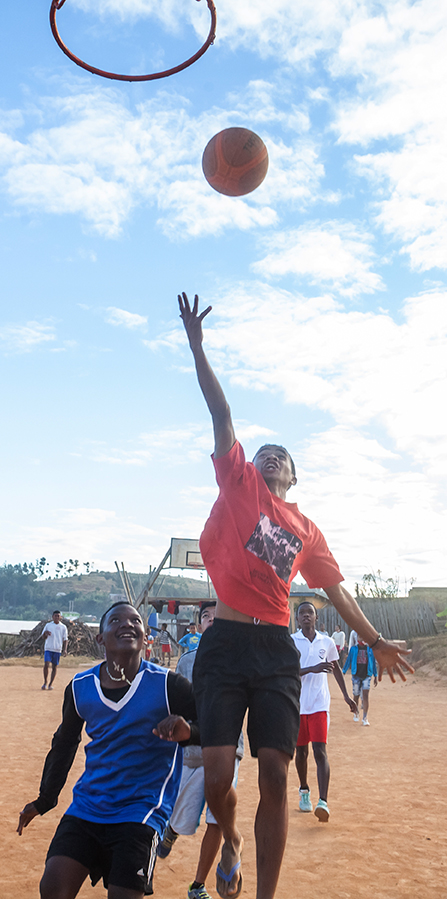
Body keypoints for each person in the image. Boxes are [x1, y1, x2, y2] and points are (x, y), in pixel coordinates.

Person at [178, 291, 413, 899]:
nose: (271, 456)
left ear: (295, 476)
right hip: (225, 644)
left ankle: (263, 893)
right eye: (265, 452)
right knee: (223, 774)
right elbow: (220, 412)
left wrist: (375, 639)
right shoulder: (239, 482)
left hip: (276, 650)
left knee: (279, 775)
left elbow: (337, 591)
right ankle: (227, 842)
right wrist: (198, 348)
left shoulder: (307, 530)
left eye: (282, 456)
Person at [17, 601, 198, 899]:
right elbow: (64, 744)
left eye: (135, 621)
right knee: (52, 887)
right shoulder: (80, 687)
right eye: (116, 620)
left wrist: (188, 732)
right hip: (88, 807)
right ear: (100, 638)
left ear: (145, 636)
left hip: (141, 812)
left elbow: (214, 731)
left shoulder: (170, 686)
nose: (127, 624)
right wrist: (45, 799)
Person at [157, 602, 243, 899]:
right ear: (199, 625)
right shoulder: (187, 660)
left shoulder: (240, 659)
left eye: (220, 616)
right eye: (207, 616)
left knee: (217, 819)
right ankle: (172, 828)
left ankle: (198, 885)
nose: (213, 620)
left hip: (230, 747)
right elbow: (178, 705)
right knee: (182, 811)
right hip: (193, 747)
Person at [291, 601, 357, 821]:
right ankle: (304, 792)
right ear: (297, 618)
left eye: (310, 612)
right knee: (301, 752)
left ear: (316, 617)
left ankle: (323, 802)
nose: (306, 616)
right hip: (297, 706)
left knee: (320, 751)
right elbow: (287, 671)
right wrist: (312, 668)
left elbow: (336, 668)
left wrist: (346, 696)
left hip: (319, 704)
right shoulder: (291, 642)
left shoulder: (326, 642)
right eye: (302, 613)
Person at [343, 635, 378, 725]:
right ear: (357, 638)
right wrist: (343, 671)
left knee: (365, 695)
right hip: (356, 675)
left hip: (367, 675)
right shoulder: (353, 649)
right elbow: (348, 660)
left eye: (363, 637)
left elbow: (373, 663)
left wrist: (375, 675)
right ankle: (356, 712)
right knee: (356, 695)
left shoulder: (370, 650)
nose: (362, 638)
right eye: (360, 637)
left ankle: (365, 718)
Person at [41, 610, 68, 691]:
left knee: (54, 667)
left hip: (57, 649)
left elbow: (65, 639)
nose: (56, 617)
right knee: (46, 664)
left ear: (60, 617)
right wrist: (45, 634)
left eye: (58, 616)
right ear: (52, 617)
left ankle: (50, 684)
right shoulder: (48, 625)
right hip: (48, 648)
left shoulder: (63, 627)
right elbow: (43, 637)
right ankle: (45, 682)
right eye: (55, 616)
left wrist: (65, 649)